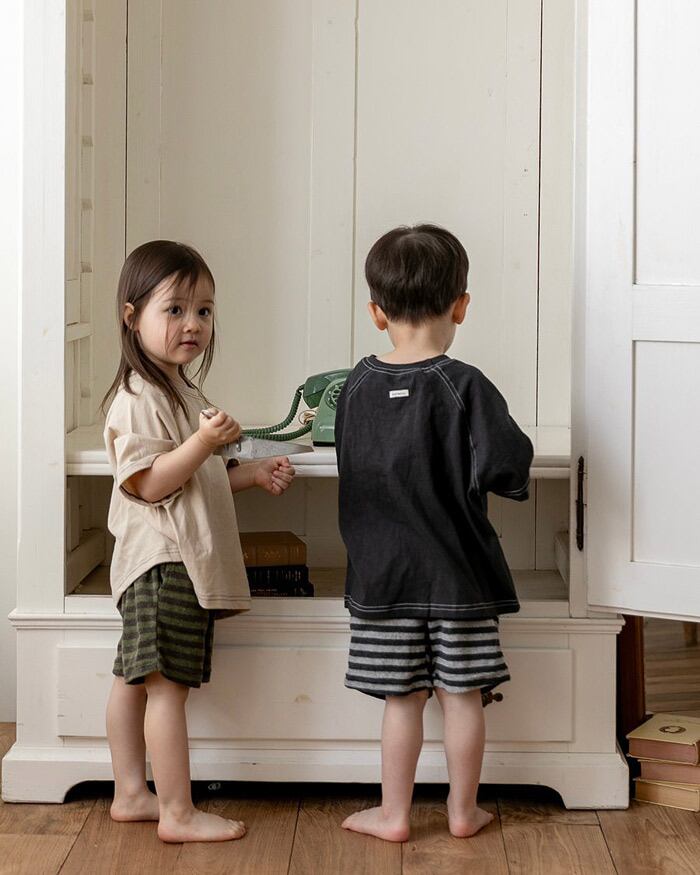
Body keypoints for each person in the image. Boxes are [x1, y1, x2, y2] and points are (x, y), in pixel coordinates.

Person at [334, 224, 533, 842]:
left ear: (376, 312)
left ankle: (394, 815)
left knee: (402, 701)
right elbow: (507, 465)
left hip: (383, 581)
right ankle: (462, 812)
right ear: (460, 305)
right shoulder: (464, 384)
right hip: (459, 581)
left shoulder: (354, 387)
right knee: (463, 696)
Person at [101, 240, 296, 843]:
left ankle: (130, 793)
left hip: (160, 558)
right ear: (132, 317)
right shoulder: (139, 398)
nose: (193, 324)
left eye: (204, 311)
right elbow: (151, 483)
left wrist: (249, 473)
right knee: (167, 689)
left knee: (133, 679)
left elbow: (194, 480)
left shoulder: (179, 390)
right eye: (175, 309)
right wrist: (207, 443)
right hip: (166, 562)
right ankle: (177, 812)